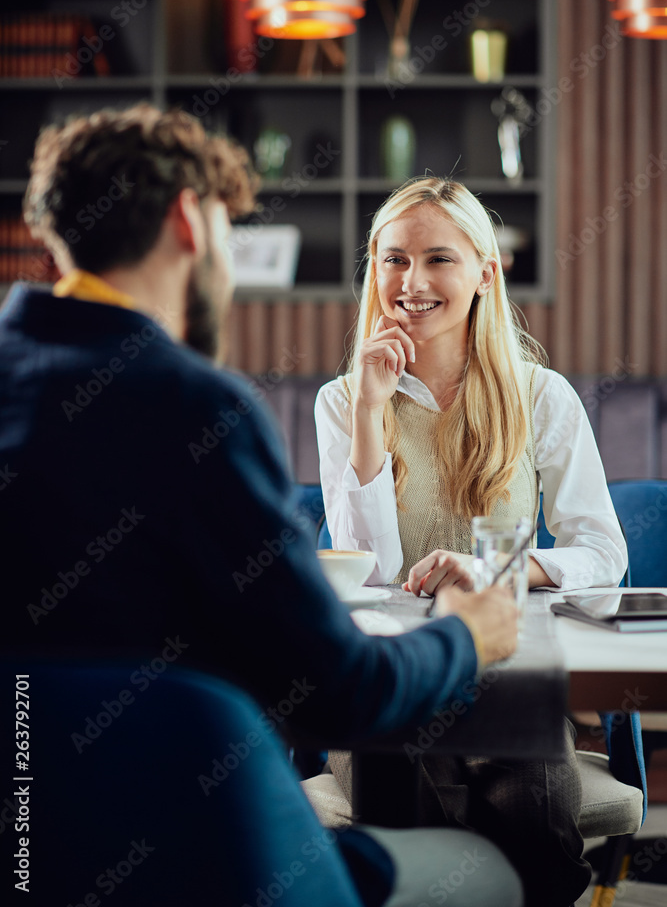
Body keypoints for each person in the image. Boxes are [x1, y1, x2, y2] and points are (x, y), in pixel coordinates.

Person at [0, 106, 523, 907]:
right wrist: (467, 636)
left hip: (31, 861)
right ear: (188, 220)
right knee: (483, 871)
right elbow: (340, 692)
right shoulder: (192, 408)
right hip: (204, 860)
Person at [315, 176, 629, 907]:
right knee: (417, 821)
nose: (410, 282)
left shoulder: (539, 394)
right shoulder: (342, 400)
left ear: (485, 273)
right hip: (387, 684)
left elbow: (600, 549)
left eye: (437, 259)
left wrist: (502, 570)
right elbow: (373, 570)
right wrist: (367, 412)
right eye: (392, 259)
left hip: (509, 676)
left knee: (531, 827)